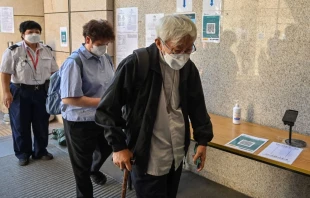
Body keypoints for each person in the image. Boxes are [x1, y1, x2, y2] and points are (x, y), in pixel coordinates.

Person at [95, 15, 214, 198]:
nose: (182, 55)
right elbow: (107, 109)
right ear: (159, 43)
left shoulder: (188, 68)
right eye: (177, 49)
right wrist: (118, 146)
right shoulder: (136, 64)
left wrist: (203, 140)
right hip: (147, 155)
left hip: (175, 153)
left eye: (189, 49)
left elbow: (197, 105)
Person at [59, 19, 115, 198]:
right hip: (79, 121)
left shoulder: (106, 58)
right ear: (88, 39)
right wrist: (103, 101)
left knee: (107, 147)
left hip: (101, 117)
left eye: (106, 44)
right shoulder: (74, 62)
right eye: (100, 44)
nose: (104, 48)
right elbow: (69, 98)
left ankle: (94, 169)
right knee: (80, 167)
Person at [0, 20, 58, 166]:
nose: (34, 35)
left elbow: (54, 71)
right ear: (22, 35)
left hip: (42, 92)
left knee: (41, 123)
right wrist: (6, 92)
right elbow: (5, 72)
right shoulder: (13, 51)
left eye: (37, 32)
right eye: (30, 32)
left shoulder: (47, 50)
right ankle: (23, 153)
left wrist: (55, 91)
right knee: (20, 124)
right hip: (20, 91)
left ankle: (40, 151)